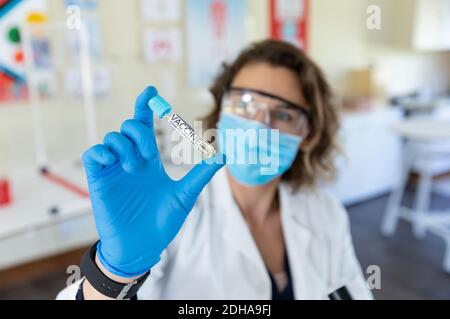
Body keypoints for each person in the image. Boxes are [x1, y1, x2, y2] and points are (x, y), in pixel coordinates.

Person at [57, 40, 372, 300]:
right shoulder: (173, 215)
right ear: (221, 111)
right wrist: (113, 275)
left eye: (283, 114)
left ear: (309, 134)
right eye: (244, 104)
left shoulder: (326, 212)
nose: (258, 124)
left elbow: (352, 293)